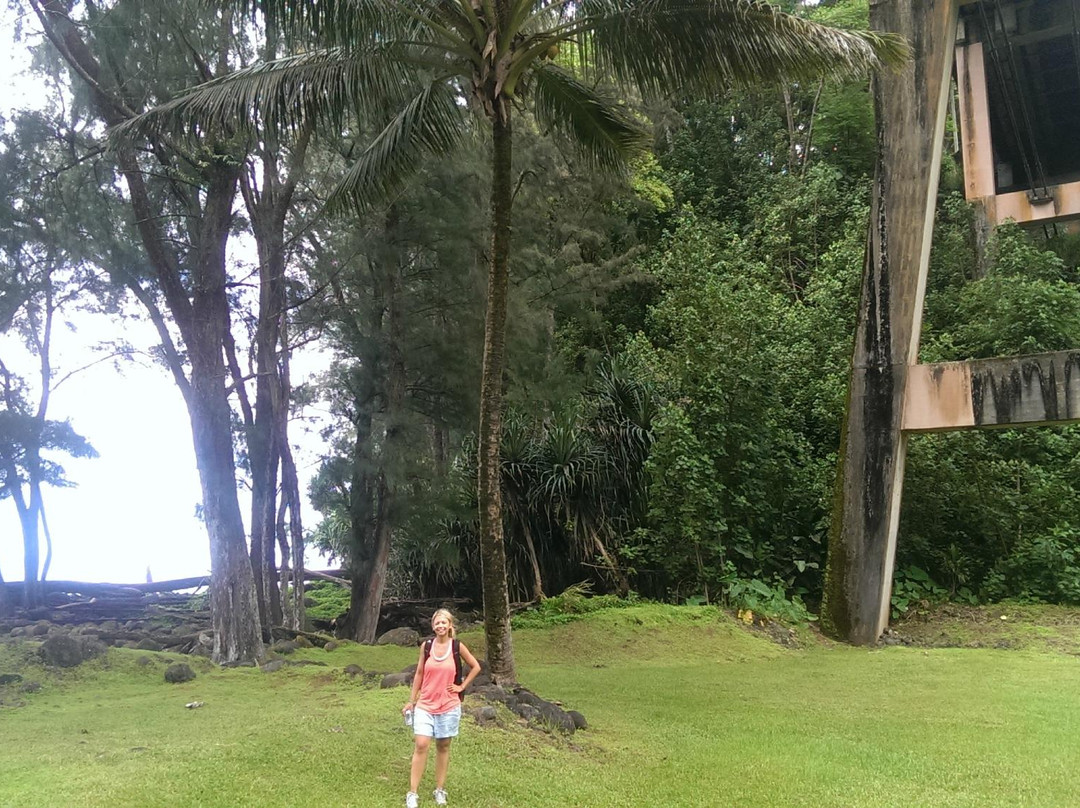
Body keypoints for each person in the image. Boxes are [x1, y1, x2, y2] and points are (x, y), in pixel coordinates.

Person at [402, 608, 480, 808]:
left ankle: (439, 790)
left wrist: (461, 686)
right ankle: (412, 793)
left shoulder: (457, 646)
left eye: (444, 622)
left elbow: (475, 666)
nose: (440, 626)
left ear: (450, 625)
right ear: (433, 626)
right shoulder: (426, 646)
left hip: (448, 705)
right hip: (425, 704)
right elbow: (419, 673)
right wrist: (412, 700)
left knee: (443, 746)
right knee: (421, 744)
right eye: (437, 623)